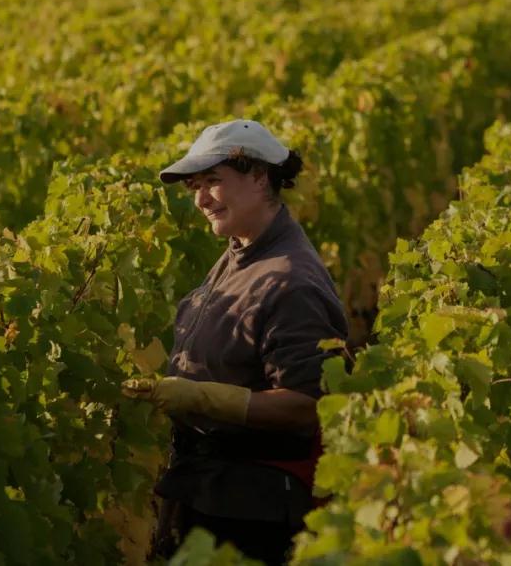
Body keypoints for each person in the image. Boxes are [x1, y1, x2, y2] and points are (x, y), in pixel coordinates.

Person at [122, 119, 350, 565]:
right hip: (213, 491)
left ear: (260, 177)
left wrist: (202, 396)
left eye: (212, 183)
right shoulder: (242, 252)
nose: (201, 199)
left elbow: (308, 403)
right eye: (195, 187)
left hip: (251, 510)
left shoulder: (290, 279)